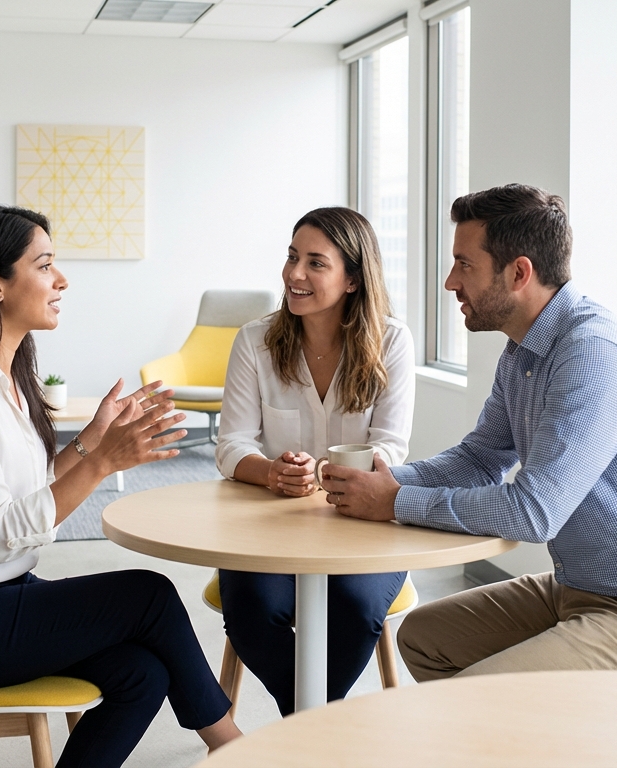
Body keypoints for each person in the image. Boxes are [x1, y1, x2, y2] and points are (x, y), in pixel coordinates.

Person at [320, 184, 617, 680]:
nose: (451, 281)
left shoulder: (592, 353)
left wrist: (394, 502)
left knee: (478, 694)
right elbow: (480, 459)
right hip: (582, 592)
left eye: (465, 264)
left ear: (519, 272)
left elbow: (536, 513)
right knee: (425, 638)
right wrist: (383, 481)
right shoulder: (522, 352)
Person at [0, 205, 240, 768]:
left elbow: (28, 494)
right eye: (44, 265)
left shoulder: (2, 382)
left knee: (141, 674)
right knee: (149, 594)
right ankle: (241, 752)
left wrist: (91, 442)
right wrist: (100, 464)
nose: (61, 280)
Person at [214, 206, 415, 715]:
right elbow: (231, 444)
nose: (294, 274)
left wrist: (324, 472)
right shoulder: (254, 342)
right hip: (268, 526)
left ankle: (302, 730)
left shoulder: (392, 341)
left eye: (315, 263)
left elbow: (392, 446)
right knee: (254, 610)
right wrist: (270, 472)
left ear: (352, 279)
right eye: (291, 257)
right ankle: (314, 727)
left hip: (364, 523)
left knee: (357, 607)